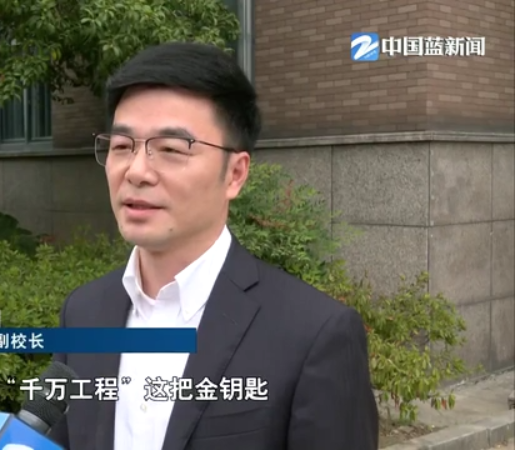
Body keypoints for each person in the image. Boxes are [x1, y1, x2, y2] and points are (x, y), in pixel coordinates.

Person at [49, 42, 378, 450]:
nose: (136, 171)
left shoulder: (314, 336)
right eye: (121, 146)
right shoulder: (82, 313)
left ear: (235, 174)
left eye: (170, 150)